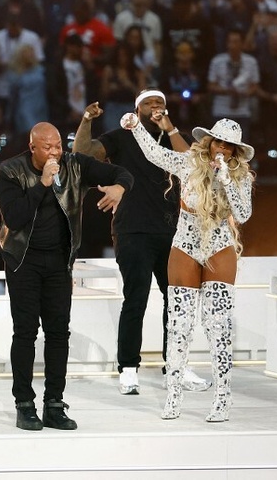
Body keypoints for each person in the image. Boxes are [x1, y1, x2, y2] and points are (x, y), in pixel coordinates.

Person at [0, 122, 134, 431]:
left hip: (59, 262)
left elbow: (121, 173)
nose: (56, 151)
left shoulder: (75, 165)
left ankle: (54, 404)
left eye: (58, 145)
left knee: (59, 333)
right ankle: (24, 405)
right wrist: (42, 184)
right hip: (23, 261)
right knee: (26, 332)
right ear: (33, 148)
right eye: (48, 147)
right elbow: (14, 217)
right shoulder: (9, 171)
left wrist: (119, 188)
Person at [73, 90, 211, 396]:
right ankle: (129, 369)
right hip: (132, 230)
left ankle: (175, 366)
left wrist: (170, 129)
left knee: (176, 302)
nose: (156, 108)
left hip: (173, 232)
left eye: (161, 103)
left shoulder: (175, 136)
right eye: (150, 103)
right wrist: (86, 120)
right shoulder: (121, 137)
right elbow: (83, 152)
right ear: (136, 109)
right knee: (135, 299)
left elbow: (192, 164)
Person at [120, 111, 255, 422]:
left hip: (219, 246)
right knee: (179, 325)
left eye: (228, 145)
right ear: (208, 142)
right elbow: (156, 154)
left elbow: (244, 214)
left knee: (217, 325)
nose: (221, 148)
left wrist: (225, 179)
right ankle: (173, 394)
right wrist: (137, 126)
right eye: (218, 141)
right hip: (185, 245)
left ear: (235, 150)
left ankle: (222, 397)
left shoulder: (240, 176)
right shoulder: (187, 164)